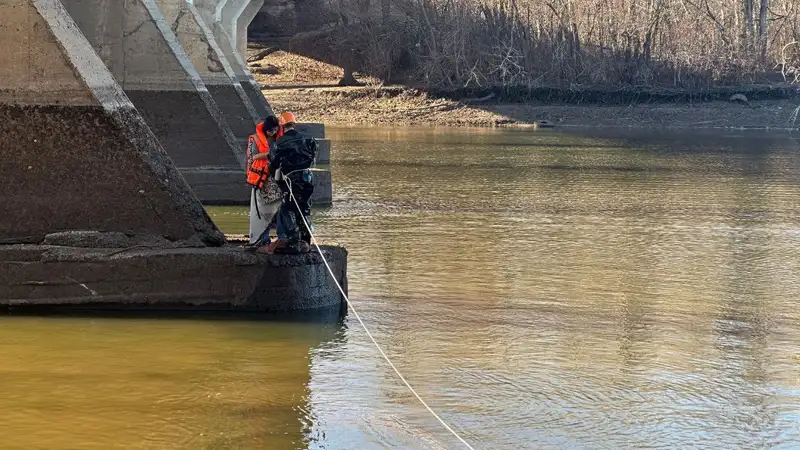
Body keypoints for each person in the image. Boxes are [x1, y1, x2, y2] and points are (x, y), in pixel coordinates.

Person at [266, 111, 318, 254]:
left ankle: (292, 241)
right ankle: (306, 240)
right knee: (305, 207)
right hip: (307, 177)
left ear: (282, 126)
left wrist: (277, 178)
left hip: (291, 179)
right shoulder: (309, 139)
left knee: (287, 208)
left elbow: (273, 165)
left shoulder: (279, 143)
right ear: (294, 123)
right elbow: (314, 154)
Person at [245, 114, 283, 250]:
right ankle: (261, 238)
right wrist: (268, 155)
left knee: (278, 209)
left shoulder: (281, 138)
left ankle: (281, 238)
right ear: (266, 129)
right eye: (270, 130)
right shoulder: (254, 139)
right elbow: (252, 158)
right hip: (261, 180)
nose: (273, 132)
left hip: (276, 179)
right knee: (261, 212)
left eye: (275, 130)